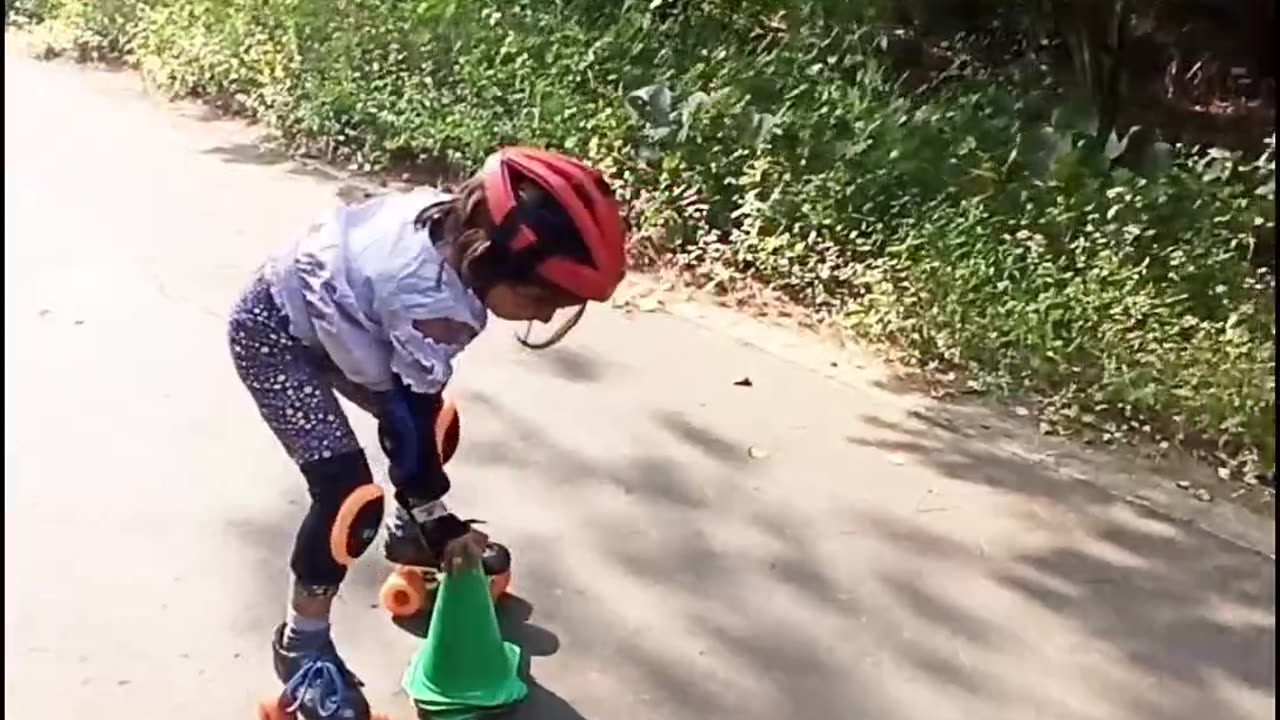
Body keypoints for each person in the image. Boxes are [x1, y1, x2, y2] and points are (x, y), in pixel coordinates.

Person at [227, 147, 628, 719]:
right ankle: (302, 649)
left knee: (435, 425)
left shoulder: (455, 223)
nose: (542, 317)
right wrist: (442, 522)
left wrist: (429, 511)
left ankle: (411, 538)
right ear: (488, 259)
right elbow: (405, 422)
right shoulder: (432, 303)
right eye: (541, 299)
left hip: (342, 318)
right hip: (277, 336)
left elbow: (415, 415)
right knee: (348, 500)